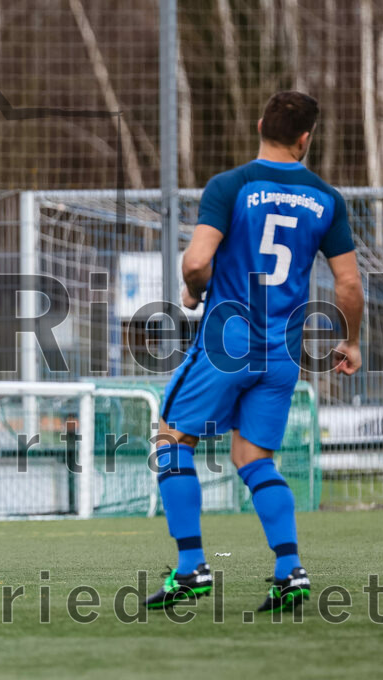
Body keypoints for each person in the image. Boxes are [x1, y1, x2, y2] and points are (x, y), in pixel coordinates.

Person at [146, 92, 363, 613]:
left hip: (227, 341)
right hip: (282, 353)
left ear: (261, 123)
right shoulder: (326, 198)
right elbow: (349, 284)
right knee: (253, 458)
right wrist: (351, 341)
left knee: (171, 441)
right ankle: (289, 573)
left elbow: (197, 262)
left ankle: (191, 568)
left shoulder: (231, 185)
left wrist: (195, 291)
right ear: (305, 138)